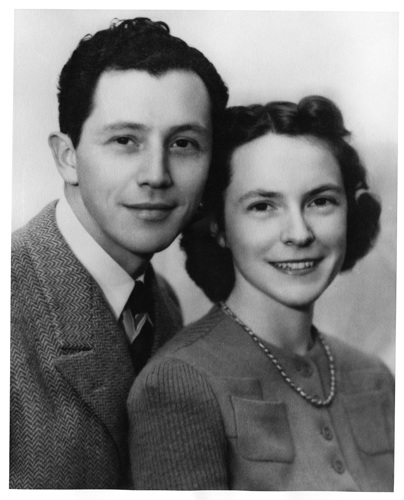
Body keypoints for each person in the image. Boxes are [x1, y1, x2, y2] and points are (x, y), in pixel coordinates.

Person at [127, 96, 394, 490]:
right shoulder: (179, 383)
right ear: (218, 225)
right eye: (264, 206)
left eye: (321, 201)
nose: (299, 234)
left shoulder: (374, 377)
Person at [10, 17, 228, 489]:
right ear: (67, 156)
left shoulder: (161, 302)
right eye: (125, 140)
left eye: (184, 144)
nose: (157, 174)